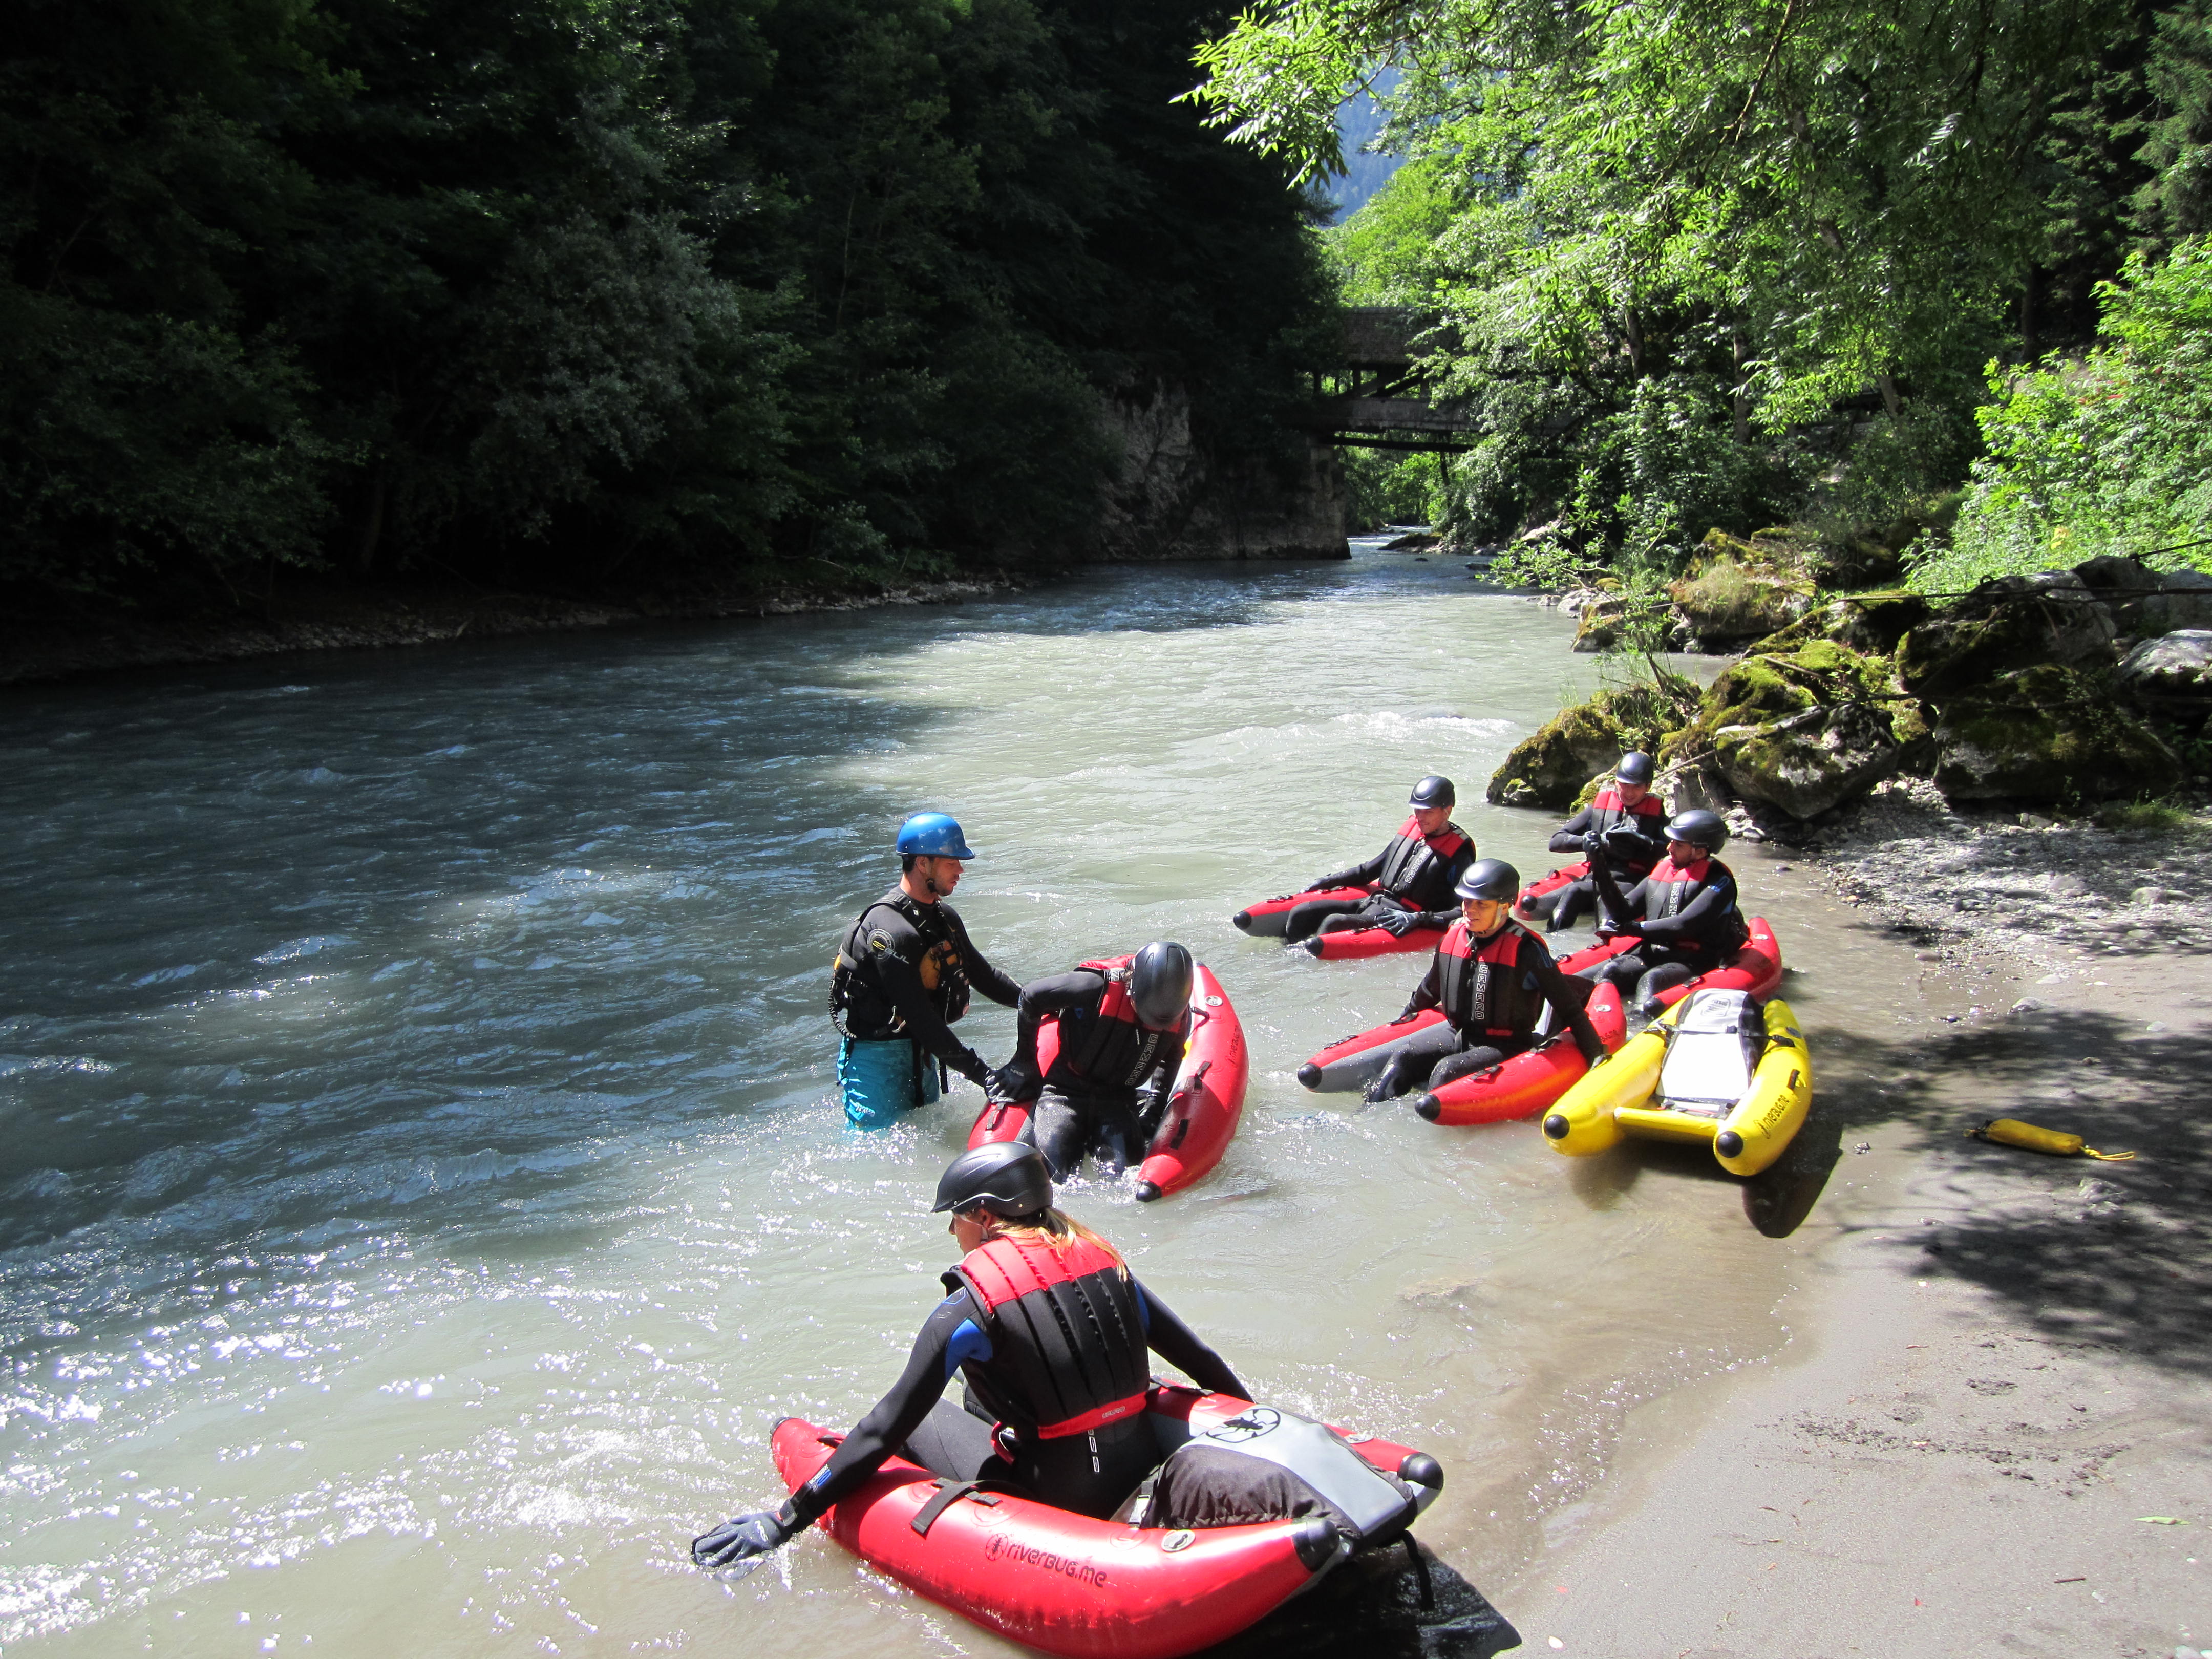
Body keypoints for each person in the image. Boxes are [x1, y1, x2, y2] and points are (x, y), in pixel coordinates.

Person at [690, 1142, 1249, 1569]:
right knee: (977, 1393)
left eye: (953, 1219)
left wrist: (785, 1520)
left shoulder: (968, 1308)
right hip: (1141, 1462)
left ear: (984, 1217)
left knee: (929, 1415)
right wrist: (1254, 1428)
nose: (951, 1233)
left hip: (1061, 1495)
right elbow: (1199, 1358)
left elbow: (887, 1425)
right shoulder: (1106, 1263)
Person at [831, 812, 1025, 1129]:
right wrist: (984, 1075)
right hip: (877, 1061)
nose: (961, 870)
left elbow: (983, 976)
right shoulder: (890, 931)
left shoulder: (943, 917)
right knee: (878, 1146)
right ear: (923, 863)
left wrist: (1037, 1003)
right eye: (952, 862)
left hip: (924, 1054)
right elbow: (920, 1016)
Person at [1364, 860, 1608, 1104]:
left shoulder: (1528, 951)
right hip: (1458, 1034)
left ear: (1504, 907)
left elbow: (1569, 1009)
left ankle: (1428, 1124)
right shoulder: (1453, 936)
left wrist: (1596, 1058)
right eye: (1467, 901)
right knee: (1405, 1055)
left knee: (1446, 1071)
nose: (1470, 910)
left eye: (1482, 904)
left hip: (1506, 1045)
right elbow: (1430, 989)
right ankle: (1368, 1117)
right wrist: (1401, 1023)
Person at [1004, 941, 1195, 1180]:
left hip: (1118, 1100)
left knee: (1120, 1176)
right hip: (1063, 1092)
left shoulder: (1178, 1012)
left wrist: (1154, 1109)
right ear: (1132, 988)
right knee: (1055, 1176)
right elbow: (1030, 996)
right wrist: (1024, 1063)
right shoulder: (1094, 986)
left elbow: (1172, 1057)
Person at [1577, 807, 1751, 1014]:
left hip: (1692, 959)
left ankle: (1640, 1029)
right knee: (1611, 971)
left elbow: (1684, 925)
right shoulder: (1666, 868)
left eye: (1678, 844)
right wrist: (1599, 864)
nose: (1669, 848)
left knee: (1651, 980)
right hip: (1655, 951)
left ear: (1701, 851)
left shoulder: (1719, 881)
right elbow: (1624, 910)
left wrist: (1632, 929)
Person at [1282, 776, 1477, 945]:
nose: (1420, 817)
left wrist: (1418, 919)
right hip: (1375, 902)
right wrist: (1327, 881)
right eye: (1417, 810)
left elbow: (1460, 911)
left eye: (1428, 812)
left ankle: (1309, 968)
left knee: (1333, 923)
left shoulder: (1460, 854)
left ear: (1447, 810)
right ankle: (1286, 964)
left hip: (1402, 917)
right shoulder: (1413, 833)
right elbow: (1368, 871)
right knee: (1301, 913)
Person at [1520, 751, 1670, 932]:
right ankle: (1553, 942)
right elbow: (1556, 841)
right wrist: (1592, 841)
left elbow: (1674, 854)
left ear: (1647, 786)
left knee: (1604, 905)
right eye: (1624, 785)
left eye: (1636, 787)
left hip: (1631, 885)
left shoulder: (1658, 818)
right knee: (1573, 892)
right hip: (1594, 879)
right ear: (1616, 783)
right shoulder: (1599, 809)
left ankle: (1603, 941)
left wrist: (1645, 843)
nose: (1629, 792)